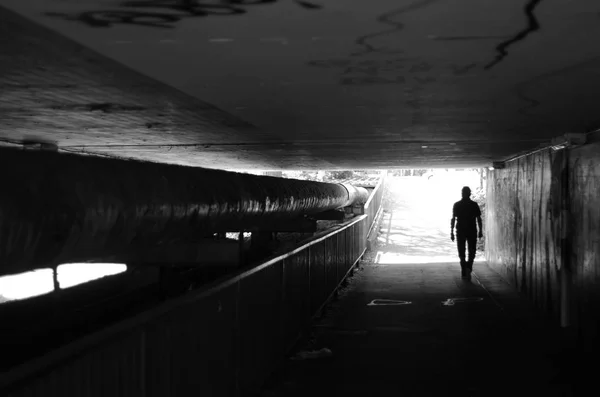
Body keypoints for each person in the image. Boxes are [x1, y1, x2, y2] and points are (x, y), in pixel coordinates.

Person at [450, 186, 483, 280]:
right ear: (470, 193)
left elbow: (453, 219)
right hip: (471, 230)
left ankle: (464, 268)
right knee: (471, 251)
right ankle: (468, 267)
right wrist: (480, 230)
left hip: (461, 230)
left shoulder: (457, 205)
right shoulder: (474, 205)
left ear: (463, 193)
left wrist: (451, 232)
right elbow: (479, 219)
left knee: (462, 252)